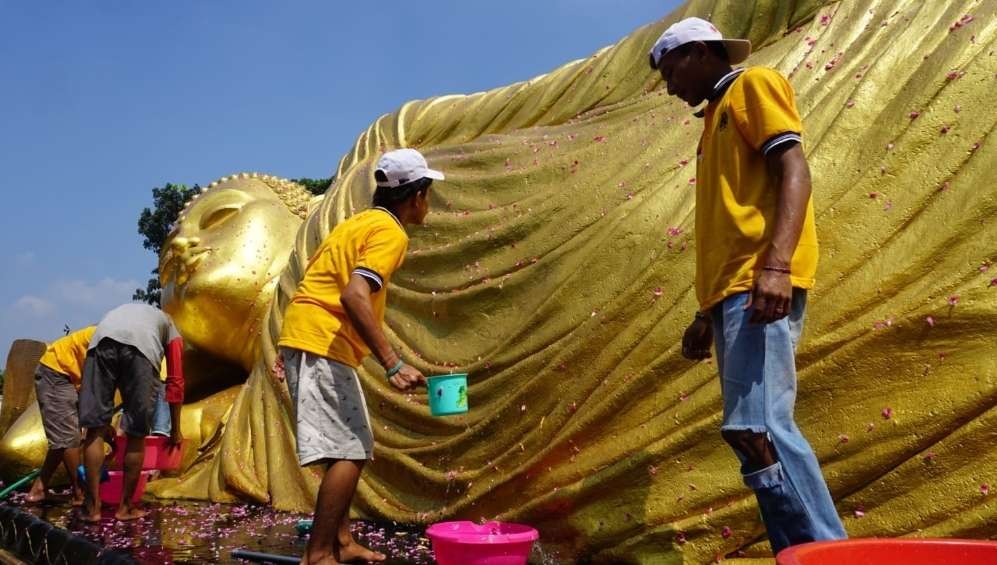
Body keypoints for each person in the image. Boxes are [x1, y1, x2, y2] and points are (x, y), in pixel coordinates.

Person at [648, 17, 847, 553]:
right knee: (748, 433)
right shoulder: (713, 118)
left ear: (698, 52)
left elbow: (794, 169)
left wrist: (777, 266)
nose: (670, 87)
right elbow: (730, 222)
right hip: (731, 294)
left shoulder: (750, 86)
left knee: (762, 429)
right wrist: (702, 313)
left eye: (671, 71)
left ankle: (829, 552)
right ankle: (799, 552)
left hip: (757, 286)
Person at [277, 148, 440, 564]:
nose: (429, 202)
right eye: (429, 192)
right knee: (351, 450)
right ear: (415, 195)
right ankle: (318, 556)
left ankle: (343, 544)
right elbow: (354, 294)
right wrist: (393, 362)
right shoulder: (391, 232)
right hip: (321, 343)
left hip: (311, 338)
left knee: (341, 448)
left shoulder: (358, 223)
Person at [78, 303, 185, 522]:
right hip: (141, 351)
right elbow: (175, 382)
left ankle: (92, 508)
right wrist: (176, 430)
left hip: (100, 343)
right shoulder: (171, 328)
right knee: (136, 433)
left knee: (94, 431)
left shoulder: (126, 311)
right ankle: (125, 508)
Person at [25, 326, 96, 505]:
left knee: (62, 439)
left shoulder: (113, 336)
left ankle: (39, 489)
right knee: (69, 438)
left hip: (68, 375)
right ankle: (79, 493)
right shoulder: (108, 338)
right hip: (56, 371)